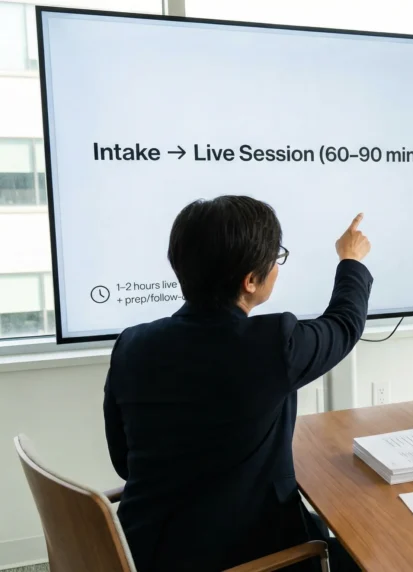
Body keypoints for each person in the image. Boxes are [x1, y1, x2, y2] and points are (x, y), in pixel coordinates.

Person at [103, 196, 372, 571]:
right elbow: (344, 324)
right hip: (248, 556)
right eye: (275, 258)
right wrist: (350, 259)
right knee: (373, 555)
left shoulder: (132, 344)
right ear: (250, 280)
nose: (276, 267)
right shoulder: (271, 344)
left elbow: (124, 462)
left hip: (141, 551)